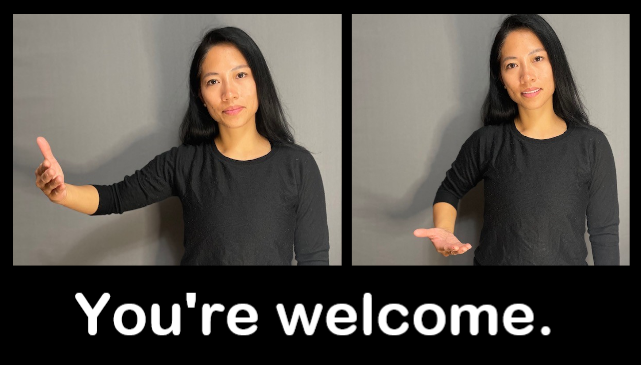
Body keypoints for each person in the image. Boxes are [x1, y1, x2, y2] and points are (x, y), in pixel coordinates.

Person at [34, 26, 330, 265]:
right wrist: (62, 193)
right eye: (213, 82)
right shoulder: (184, 163)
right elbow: (113, 197)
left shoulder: (297, 166)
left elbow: (313, 259)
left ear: (258, 81)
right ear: (201, 95)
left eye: (240, 75)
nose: (229, 93)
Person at [413, 14, 619, 265]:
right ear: (500, 77)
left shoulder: (592, 145)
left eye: (537, 58)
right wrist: (445, 229)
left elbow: (604, 234)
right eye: (512, 65)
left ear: (556, 62)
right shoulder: (487, 141)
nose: (527, 76)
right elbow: (450, 189)